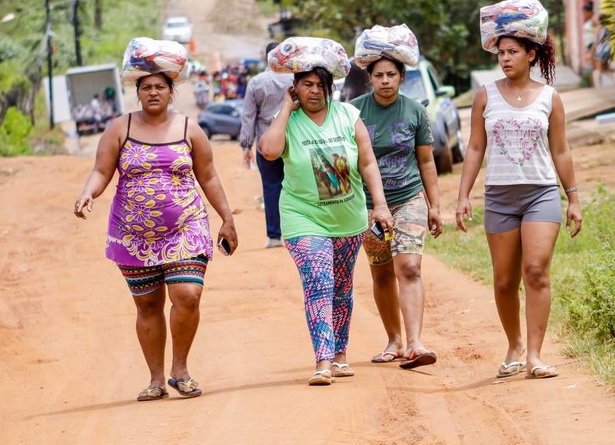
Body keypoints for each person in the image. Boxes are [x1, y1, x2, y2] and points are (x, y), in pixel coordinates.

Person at [74, 38, 238, 401]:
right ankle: (156, 379)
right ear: (137, 92)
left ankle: (180, 369)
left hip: (185, 228)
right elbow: (101, 171)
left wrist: (226, 217)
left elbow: (208, 177)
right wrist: (88, 193)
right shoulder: (120, 128)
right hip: (133, 235)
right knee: (147, 306)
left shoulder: (190, 130)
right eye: (146, 87)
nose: (153, 92)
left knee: (188, 295)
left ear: (171, 91)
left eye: (159, 87)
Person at [458, 0, 582, 379]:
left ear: (532, 54)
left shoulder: (550, 98)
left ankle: (534, 355)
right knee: (504, 280)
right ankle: (513, 344)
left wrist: (573, 197)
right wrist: (463, 195)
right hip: (499, 196)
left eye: (513, 51)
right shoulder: (485, 95)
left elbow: (560, 150)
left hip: (540, 193)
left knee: (536, 271)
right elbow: (476, 146)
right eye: (501, 53)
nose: (506, 58)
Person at [259, 38, 393, 386]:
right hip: (302, 216)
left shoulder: (348, 116)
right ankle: (322, 360)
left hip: (348, 218)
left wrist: (379, 205)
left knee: (342, 286)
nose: (314, 91)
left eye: (320, 85)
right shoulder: (286, 119)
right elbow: (270, 152)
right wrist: (286, 109)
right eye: (307, 85)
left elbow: (367, 162)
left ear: (329, 86)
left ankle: (340, 355)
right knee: (319, 281)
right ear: (295, 88)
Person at [350, 25, 442, 369]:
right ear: (370, 78)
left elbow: (426, 161)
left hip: (409, 198)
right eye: (379, 75)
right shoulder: (353, 112)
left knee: (410, 266)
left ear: (402, 77)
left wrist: (435, 207)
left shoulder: (416, 112)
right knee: (381, 273)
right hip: (369, 206)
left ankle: (416, 342)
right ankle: (393, 340)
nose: (385, 80)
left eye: (391, 74)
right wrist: (366, 207)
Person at [239, 42, 294, 248]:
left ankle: (274, 236)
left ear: (267, 57)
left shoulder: (257, 82)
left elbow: (248, 116)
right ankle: (296, 233)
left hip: (267, 146)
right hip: (294, 142)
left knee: (271, 188)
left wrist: (246, 146)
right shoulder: (296, 79)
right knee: (298, 187)